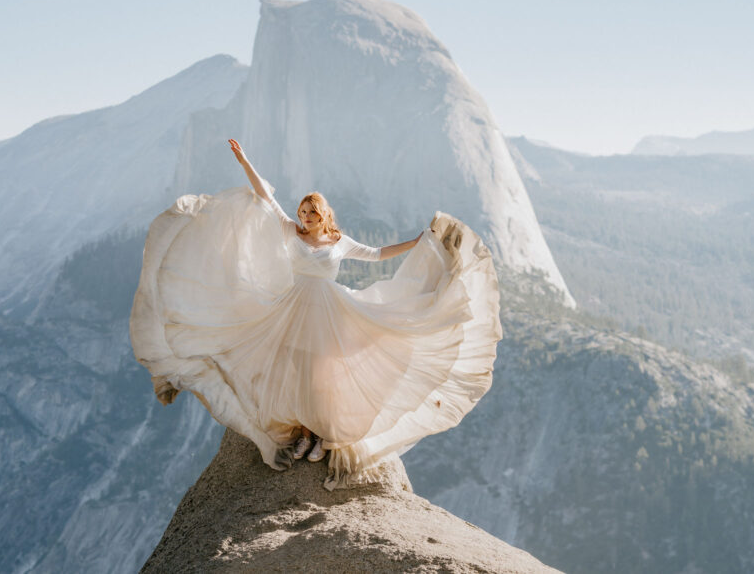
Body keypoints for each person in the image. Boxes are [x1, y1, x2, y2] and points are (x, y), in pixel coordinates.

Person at [130, 139, 502, 489]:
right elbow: (265, 197)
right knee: (297, 368)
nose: (305, 217)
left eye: (311, 212)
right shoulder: (290, 231)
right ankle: (304, 433)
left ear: (323, 214)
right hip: (293, 307)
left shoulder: (339, 242)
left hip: (329, 310)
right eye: (302, 212)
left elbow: (377, 254)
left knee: (323, 373)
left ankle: (321, 435)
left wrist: (419, 242)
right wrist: (245, 162)